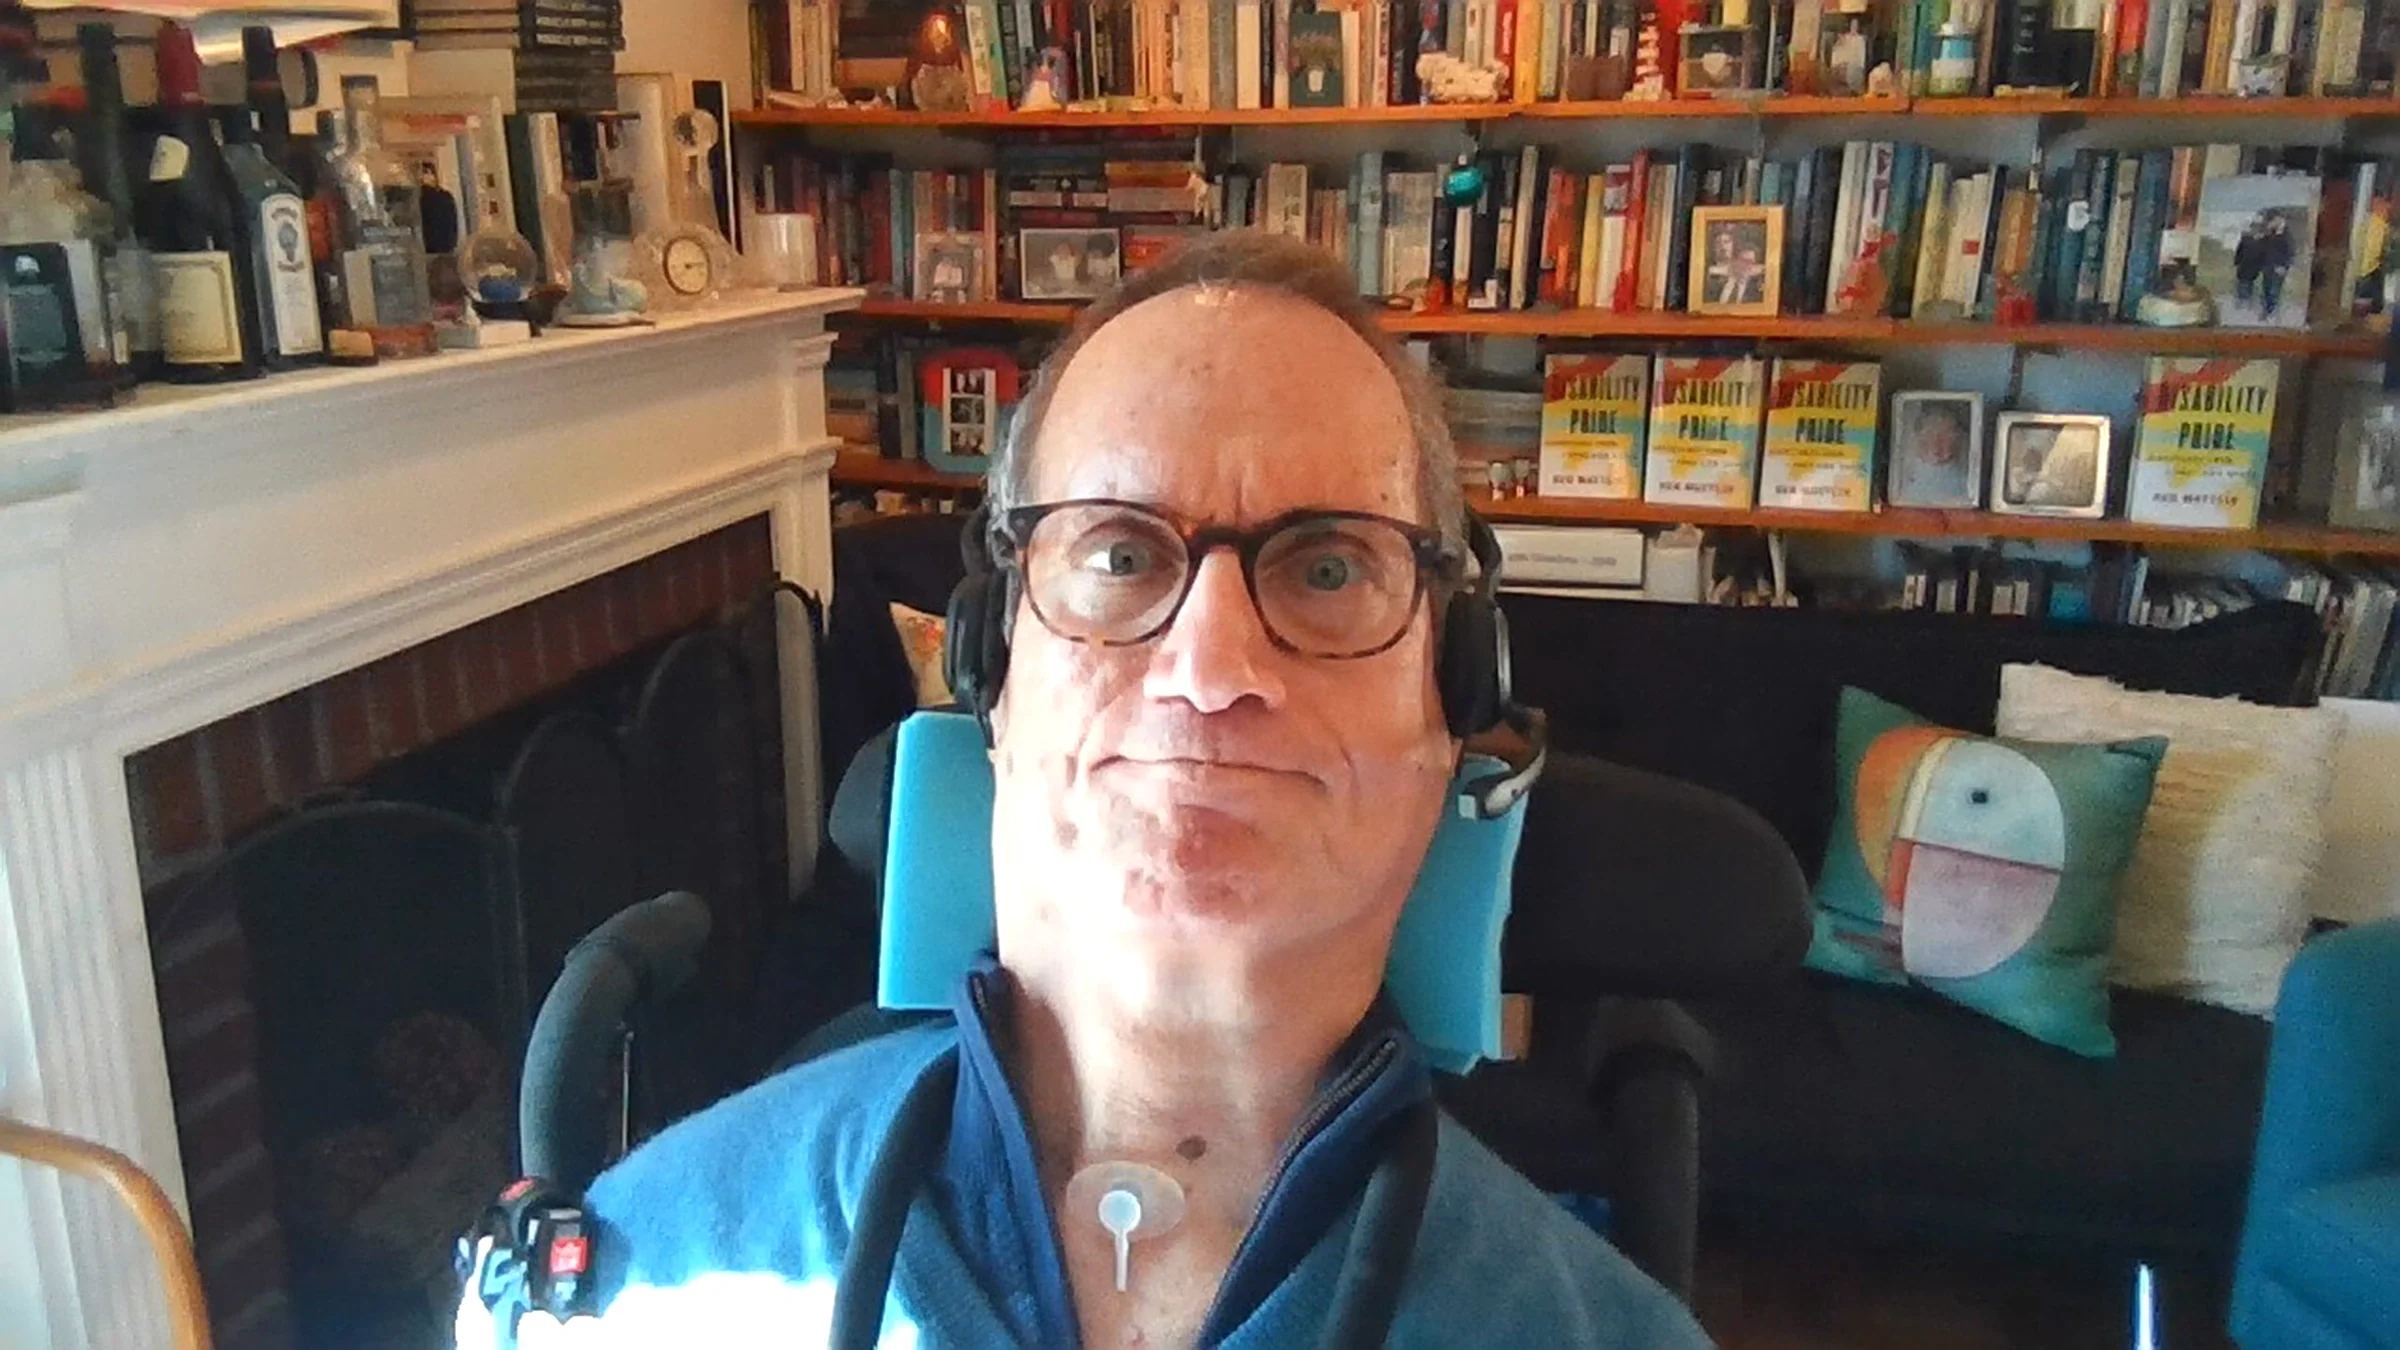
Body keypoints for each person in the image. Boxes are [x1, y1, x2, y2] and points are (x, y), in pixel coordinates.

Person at [456, 232, 1710, 1347]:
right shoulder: (642, 1284)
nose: (1211, 670)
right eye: (1118, 553)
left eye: (1329, 569)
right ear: (992, 671)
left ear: (1451, 698)